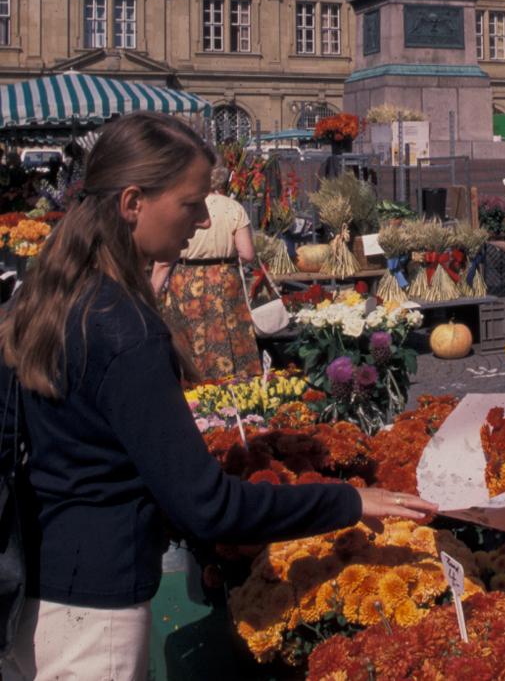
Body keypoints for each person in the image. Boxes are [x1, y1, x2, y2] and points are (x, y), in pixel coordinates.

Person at [0, 112, 436, 680]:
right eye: (190, 203)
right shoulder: (124, 328)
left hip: (40, 584)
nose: (205, 217)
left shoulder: (53, 295)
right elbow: (208, 508)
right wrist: (349, 501)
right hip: (97, 609)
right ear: (133, 203)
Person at [151, 165, 260, 381]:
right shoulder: (233, 208)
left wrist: (150, 294)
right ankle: (233, 384)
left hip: (186, 279)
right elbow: (247, 254)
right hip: (223, 278)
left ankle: (191, 385)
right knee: (228, 333)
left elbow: (164, 261)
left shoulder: (186, 207)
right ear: (223, 181)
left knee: (187, 334)